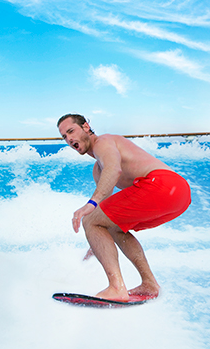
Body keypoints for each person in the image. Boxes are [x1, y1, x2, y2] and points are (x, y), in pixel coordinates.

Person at [57, 113, 191, 302]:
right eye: (64, 137)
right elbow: (105, 215)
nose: (69, 139)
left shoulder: (103, 142)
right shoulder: (97, 169)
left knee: (90, 219)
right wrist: (96, 243)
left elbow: (114, 169)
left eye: (71, 131)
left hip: (162, 184)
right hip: (178, 196)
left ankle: (116, 288)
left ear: (86, 127)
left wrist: (90, 205)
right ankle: (149, 283)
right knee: (113, 227)